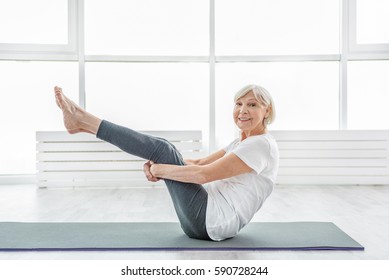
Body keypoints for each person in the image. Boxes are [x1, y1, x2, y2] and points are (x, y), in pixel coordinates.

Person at [54, 84, 279, 241]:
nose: (242, 111)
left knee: (163, 149)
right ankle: (82, 123)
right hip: (207, 221)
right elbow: (199, 162)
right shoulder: (242, 142)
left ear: (266, 110)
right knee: (164, 148)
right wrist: (160, 166)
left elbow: (203, 175)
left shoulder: (260, 145)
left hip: (211, 221)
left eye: (252, 105)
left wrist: (160, 168)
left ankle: (83, 120)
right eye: (238, 104)